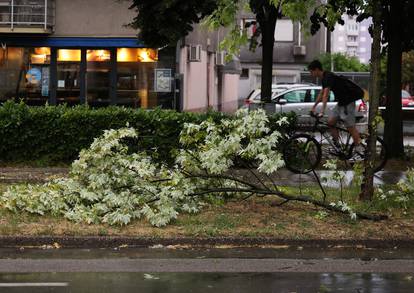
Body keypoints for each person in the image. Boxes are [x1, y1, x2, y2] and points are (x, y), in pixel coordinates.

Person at [308, 59, 363, 150]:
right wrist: (313, 107)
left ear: (317, 69)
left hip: (348, 102)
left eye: (311, 72)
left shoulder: (328, 76)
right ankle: (338, 147)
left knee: (350, 127)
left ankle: (360, 151)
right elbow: (321, 94)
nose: (311, 74)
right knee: (330, 123)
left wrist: (322, 111)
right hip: (341, 103)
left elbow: (326, 95)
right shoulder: (324, 79)